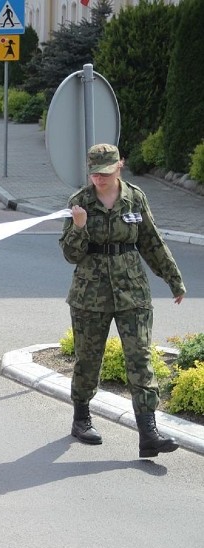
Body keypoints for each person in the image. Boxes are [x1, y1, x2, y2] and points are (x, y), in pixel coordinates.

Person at [61, 143, 185, 458]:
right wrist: (78, 228)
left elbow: (151, 241)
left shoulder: (135, 198)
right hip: (91, 294)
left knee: (141, 358)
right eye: (94, 172)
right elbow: (70, 255)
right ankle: (81, 417)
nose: (99, 178)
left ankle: (148, 433)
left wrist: (172, 278)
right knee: (88, 360)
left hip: (133, 291)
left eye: (105, 172)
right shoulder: (80, 202)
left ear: (120, 166)